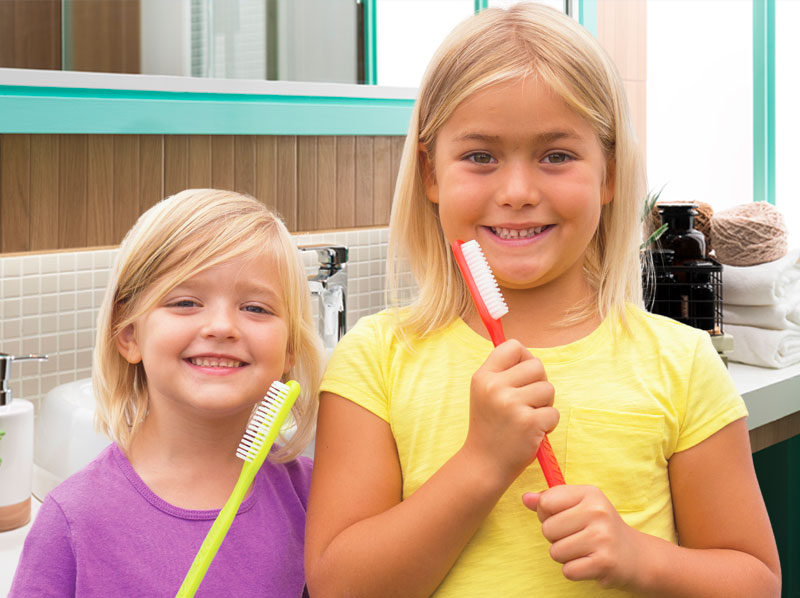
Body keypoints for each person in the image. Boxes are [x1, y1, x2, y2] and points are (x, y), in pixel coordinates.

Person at [304, 4, 781, 597]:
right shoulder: (373, 362)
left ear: (609, 173)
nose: (518, 192)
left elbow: (756, 582)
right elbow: (340, 587)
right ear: (430, 173)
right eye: (480, 156)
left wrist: (643, 559)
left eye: (556, 155)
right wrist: (482, 463)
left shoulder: (681, 364)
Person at [11, 189, 322, 597]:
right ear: (128, 334)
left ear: (290, 347)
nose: (222, 326)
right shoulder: (73, 520)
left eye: (256, 308)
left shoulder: (315, 498)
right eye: (186, 302)